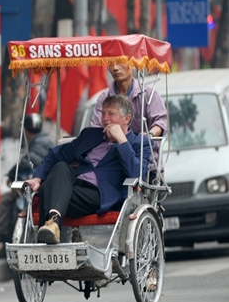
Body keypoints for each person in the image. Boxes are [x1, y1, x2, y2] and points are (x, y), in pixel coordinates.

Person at [25, 95, 151, 244]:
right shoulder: (90, 135)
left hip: (100, 195)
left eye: (111, 114)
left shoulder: (139, 143)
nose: (105, 118)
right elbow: (54, 154)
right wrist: (37, 178)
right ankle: (53, 224)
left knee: (50, 190)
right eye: (103, 113)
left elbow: (137, 175)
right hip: (73, 189)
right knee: (60, 168)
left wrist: (122, 140)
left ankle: (49, 228)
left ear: (127, 119)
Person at [0, 113, 52, 251]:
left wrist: (11, 174)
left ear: (26, 130)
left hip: (40, 188)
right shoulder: (46, 141)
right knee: (11, 199)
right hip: (42, 185)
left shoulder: (37, 144)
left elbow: (29, 161)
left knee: (8, 198)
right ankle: (2, 241)